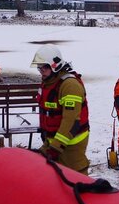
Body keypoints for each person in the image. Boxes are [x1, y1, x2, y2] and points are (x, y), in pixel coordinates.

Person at [31, 45, 90, 175]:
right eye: (39, 67)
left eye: (44, 67)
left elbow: (71, 121)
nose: (41, 71)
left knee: (75, 177)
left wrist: (56, 147)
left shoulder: (70, 85)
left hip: (72, 143)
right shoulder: (49, 82)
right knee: (52, 176)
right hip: (53, 141)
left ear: (55, 66)